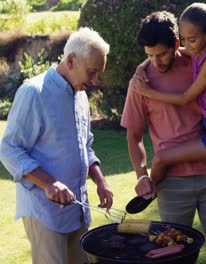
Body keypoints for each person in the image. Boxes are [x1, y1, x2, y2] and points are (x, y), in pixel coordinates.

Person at [121, 11, 206, 264]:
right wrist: (141, 174)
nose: (156, 62)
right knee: (174, 254)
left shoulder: (200, 62)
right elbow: (133, 135)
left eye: (162, 54)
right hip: (173, 183)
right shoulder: (140, 82)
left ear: (177, 43)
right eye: (149, 55)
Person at [0, 27, 113, 264]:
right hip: (45, 213)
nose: (94, 81)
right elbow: (9, 149)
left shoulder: (80, 95)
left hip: (78, 210)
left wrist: (100, 181)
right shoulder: (34, 92)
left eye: (98, 74)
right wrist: (49, 183)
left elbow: (86, 146)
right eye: (92, 72)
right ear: (71, 60)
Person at [133, 2, 206, 187]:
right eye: (183, 40)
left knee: (160, 159)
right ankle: (151, 190)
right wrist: (142, 66)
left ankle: (150, 192)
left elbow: (185, 98)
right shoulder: (197, 51)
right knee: (161, 159)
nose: (187, 46)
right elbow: (171, 51)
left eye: (191, 40)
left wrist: (149, 92)